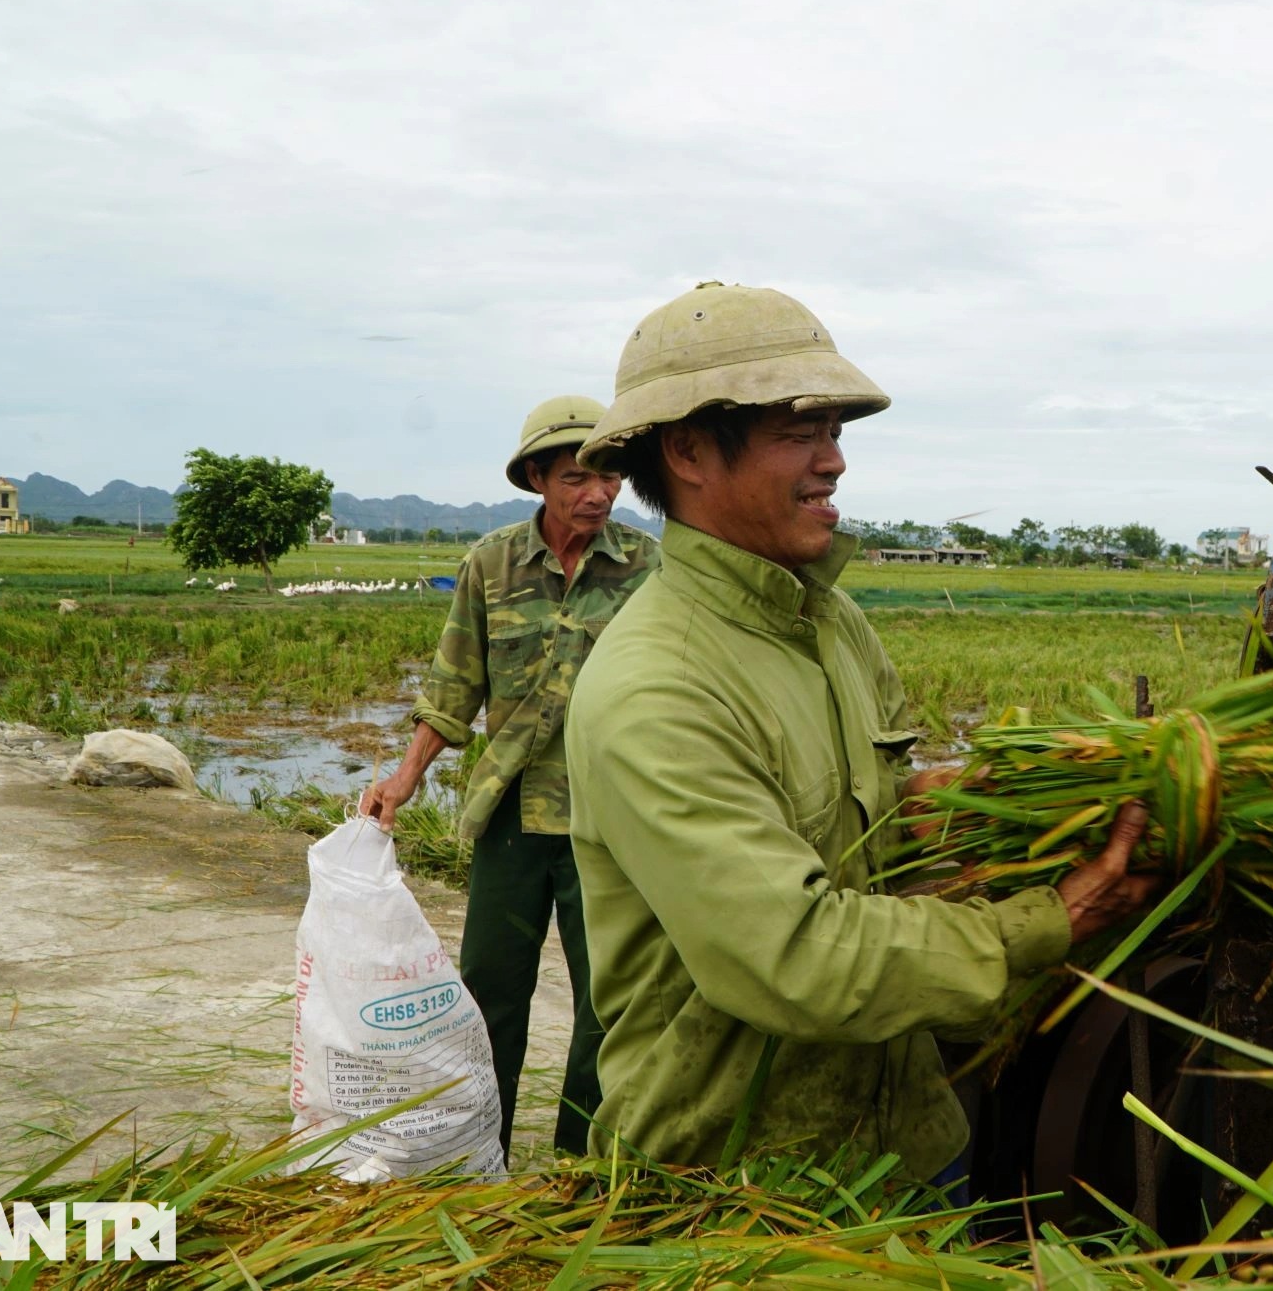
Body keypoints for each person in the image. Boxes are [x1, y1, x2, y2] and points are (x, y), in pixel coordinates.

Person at [565, 282, 1154, 1180]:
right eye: (801, 432)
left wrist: (993, 795)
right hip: (739, 1190)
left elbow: (876, 832)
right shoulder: (658, 686)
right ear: (687, 449)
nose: (834, 461)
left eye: (836, 431)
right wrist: (1048, 922)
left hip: (905, 1139)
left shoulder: (831, 623)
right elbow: (791, 956)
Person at [360, 395, 658, 1156]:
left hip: (610, 825)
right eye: (575, 477)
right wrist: (405, 777)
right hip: (513, 818)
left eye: (610, 475)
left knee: (607, 1000)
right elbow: (454, 685)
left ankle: (577, 1159)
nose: (597, 492)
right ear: (537, 477)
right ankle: (478, 1147)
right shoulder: (491, 563)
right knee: (490, 993)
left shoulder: (647, 568)